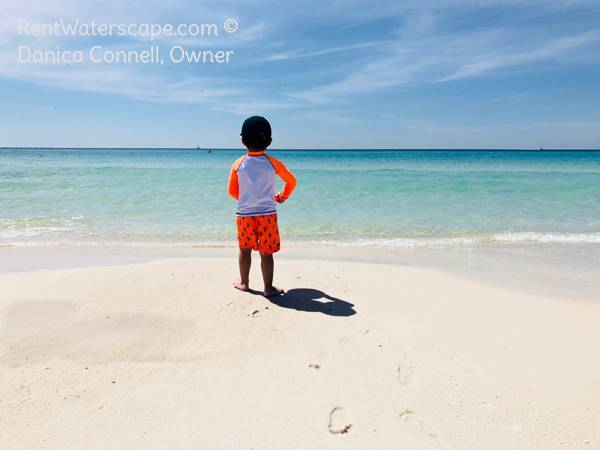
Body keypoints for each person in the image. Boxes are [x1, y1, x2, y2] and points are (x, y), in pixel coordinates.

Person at [227, 116, 297, 297]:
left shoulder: (237, 164)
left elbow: (232, 192)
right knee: (267, 253)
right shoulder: (273, 163)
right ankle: (268, 288)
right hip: (267, 215)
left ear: (242, 140)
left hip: (244, 215)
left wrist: (247, 199)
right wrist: (281, 196)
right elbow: (291, 181)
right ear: (270, 141)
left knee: (244, 249)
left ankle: (244, 282)